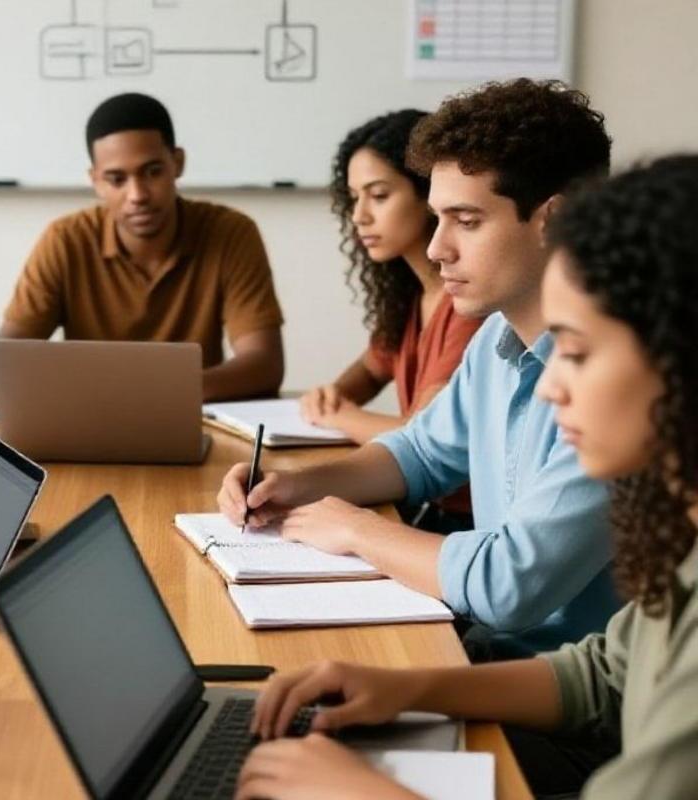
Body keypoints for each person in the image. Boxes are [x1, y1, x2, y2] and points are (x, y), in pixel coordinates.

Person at [234, 155, 698, 800]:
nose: (554, 385)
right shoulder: (682, 538)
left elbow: (517, 593)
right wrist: (410, 687)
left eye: (580, 353)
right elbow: (605, 676)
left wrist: (366, 794)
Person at [217, 79, 618, 659]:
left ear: (554, 220)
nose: (436, 249)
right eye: (436, 218)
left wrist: (358, 528)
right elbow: (421, 455)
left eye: (467, 221)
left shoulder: (619, 380)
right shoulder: (497, 340)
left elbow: (508, 587)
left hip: (563, 698)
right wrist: (296, 486)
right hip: (486, 652)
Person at [0, 92, 285, 402]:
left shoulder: (231, 233)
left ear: (178, 163)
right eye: (117, 179)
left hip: (192, 419)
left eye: (153, 172)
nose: (138, 195)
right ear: (96, 181)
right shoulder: (65, 240)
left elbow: (264, 365)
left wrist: (148, 393)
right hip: (93, 420)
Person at [302, 110, 483, 530]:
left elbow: (419, 432)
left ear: (428, 195)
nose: (359, 216)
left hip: (459, 520)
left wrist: (337, 415)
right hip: (425, 505)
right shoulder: (410, 295)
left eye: (379, 195)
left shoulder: (469, 306)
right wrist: (332, 395)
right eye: (354, 197)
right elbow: (369, 370)